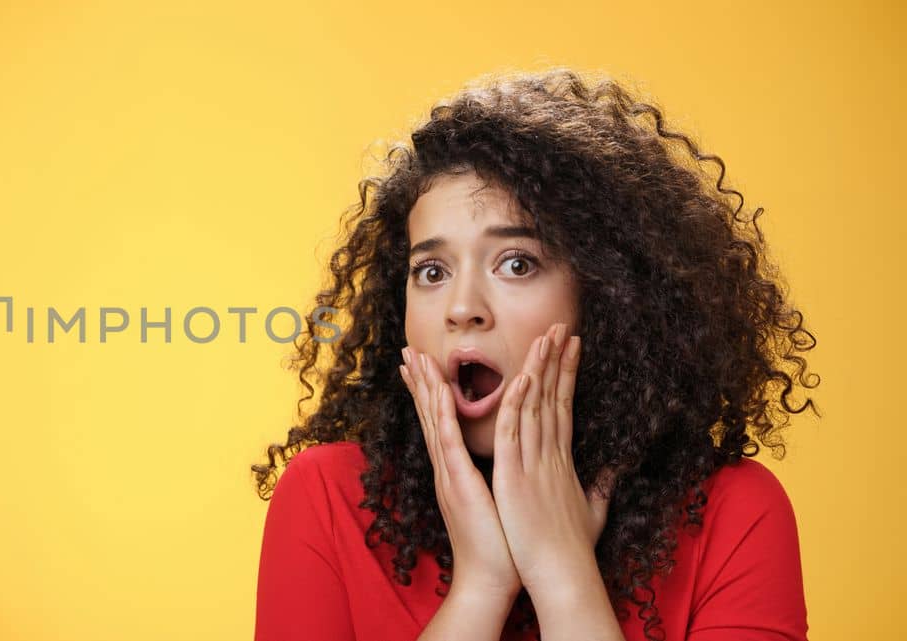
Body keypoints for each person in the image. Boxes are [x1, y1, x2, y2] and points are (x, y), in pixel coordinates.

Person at [251, 68, 819, 641]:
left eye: (516, 263)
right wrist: (481, 586)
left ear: (608, 294)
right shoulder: (327, 496)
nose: (461, 308)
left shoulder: (735, 512)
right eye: (431, 271)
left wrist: (561, 571)